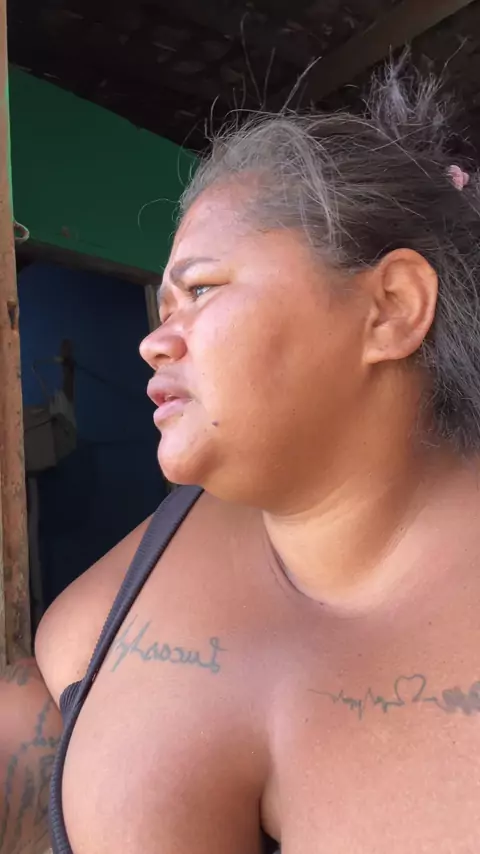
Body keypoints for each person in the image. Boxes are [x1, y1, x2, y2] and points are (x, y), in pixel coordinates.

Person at [2, 58, 480, 854]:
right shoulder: (152, 560)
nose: (155, 342)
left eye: (202, 289)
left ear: (391, 309)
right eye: (162, 306)